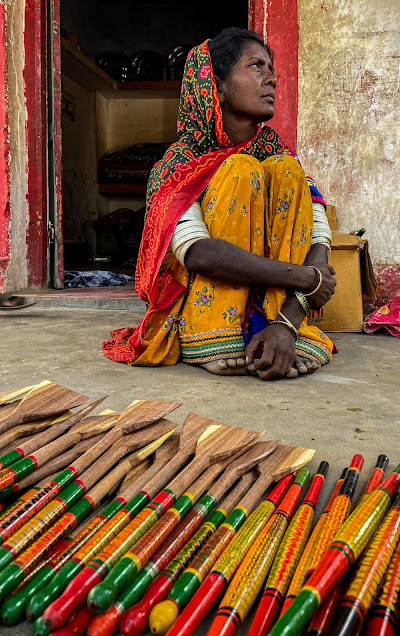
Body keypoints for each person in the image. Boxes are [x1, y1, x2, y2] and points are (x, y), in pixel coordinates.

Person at [103, 27, 337, 380]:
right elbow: (195, 251)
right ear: (219, 86)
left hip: (285, 314)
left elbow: (317, 236)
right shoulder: (179, 164)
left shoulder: (279, 155)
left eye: (271, 69)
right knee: (240, 170)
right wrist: (305, 278)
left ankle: (277, 330)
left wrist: (288, 323)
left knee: (285, 170)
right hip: (209, 306)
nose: (272, 79)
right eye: (256, 67)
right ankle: (212, 328)